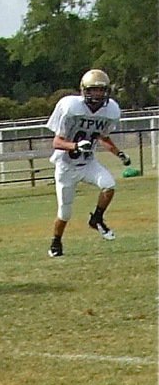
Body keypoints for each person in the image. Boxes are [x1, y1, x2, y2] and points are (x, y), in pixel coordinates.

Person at [45, 68, 130, 257]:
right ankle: (56, 243)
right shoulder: (71, 108)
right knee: (65, 213)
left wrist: (120, 154)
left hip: (88, 163)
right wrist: (75, 146)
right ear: (84, 90)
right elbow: (57, 142)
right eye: (93, 90)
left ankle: (97, 219)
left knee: (109, 185)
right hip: (66, 166)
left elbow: (103, 137)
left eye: (101, 90)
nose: (98, 94)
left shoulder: (110, 110)